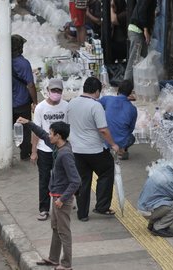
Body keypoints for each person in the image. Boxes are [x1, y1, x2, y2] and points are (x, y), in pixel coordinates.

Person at [17, 118, 80, 270]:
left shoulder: (65, 154)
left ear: (58, 136)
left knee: (64, 232)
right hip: (56, 195)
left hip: (61, 198)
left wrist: (62, 199)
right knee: (55, 228)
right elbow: (43, 134)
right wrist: (29, 123)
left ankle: (66, 264)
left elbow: (76, 181)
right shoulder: (58, 146)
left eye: (52, 134)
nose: (49, 136)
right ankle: (53, 258)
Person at [67, 77, 119, 222]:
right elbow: (103, 129)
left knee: (83, 181)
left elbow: (67, 124)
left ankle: (82, 214)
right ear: (97, 91)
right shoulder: (95, 106)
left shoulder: (72, 103)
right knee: (106, 171)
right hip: (95, 150)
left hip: (77, 150)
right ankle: (102, 206)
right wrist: (113, 144)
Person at [0, 34, 38, 161]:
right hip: (22, 103)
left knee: (7, 128)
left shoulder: (1, 60)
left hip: (6, 103)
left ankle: (6, 152)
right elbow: (31, 85)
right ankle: (25, 153)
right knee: (25, 130)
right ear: (20, 48)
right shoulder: (24, 64)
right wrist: (35, 102)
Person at [32, 79, 69, 221]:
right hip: (44, 150)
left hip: (61, 150)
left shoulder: (66, 106)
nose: (56, 93)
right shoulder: (40, 108)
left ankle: (64, 203)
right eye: (53, 90)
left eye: (59, 91)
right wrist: (34, 151)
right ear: (48, 91)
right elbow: (35, 131)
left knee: (64, 178)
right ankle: (44, 209)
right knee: (44, 180)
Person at [99, 80, 137, 160]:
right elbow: (131, 129)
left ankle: (112, 149)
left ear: (118, 90)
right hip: (122, 141)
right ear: (130, 93)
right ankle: (121, 150)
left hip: (105, 138)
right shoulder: (133, 109)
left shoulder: (107, 99)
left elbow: (96, 106)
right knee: (132, 138)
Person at [123, 0, 157, 81]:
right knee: (134, 59)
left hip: (138, 31)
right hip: (137, 30)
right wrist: (146, 30)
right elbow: (142, 12)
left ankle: (138, 84)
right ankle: (126, 83)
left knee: (142, 59)